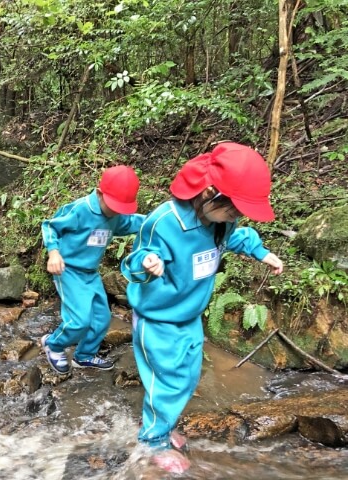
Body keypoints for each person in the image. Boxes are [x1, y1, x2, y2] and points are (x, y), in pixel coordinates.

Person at [120, 143, 284, 473]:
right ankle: (152, 440)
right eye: (233, 209)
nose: (235, 217)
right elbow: (131, 263)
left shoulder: (220, 222)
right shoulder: (163, 222)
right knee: (167, 379)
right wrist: (147, 261)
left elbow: (236, 237)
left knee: (188, 375)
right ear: (209, 192)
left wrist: (260, 252)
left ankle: (162, 426)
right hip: (158, 318)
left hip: (188, 315)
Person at [40, 166, 145, 375]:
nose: (116, 211)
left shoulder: (116, 216)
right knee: (79, 321)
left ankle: (84, 356)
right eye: (113, 205)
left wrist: (157, 222)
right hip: (67, 270)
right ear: (99, 193)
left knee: (102, 318)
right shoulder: (81, 209)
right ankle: (54, 343)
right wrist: (53, 253)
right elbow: (50, 226)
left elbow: (131, 222)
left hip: (90, 273)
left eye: (120, 208)